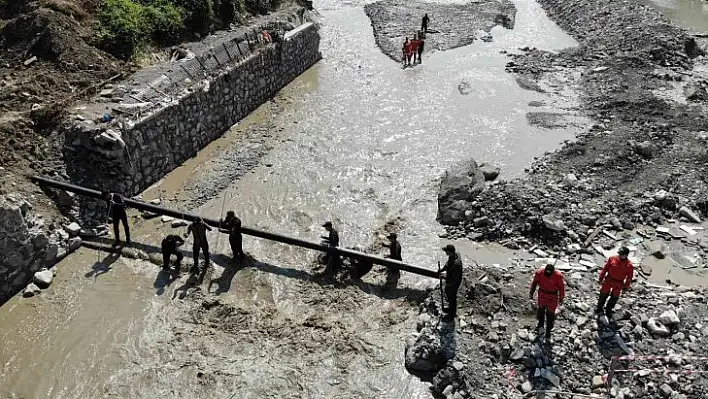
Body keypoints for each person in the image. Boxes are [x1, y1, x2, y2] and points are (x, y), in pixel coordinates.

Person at [529, 261, 566, 344]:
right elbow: (534, 283)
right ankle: (540, 325)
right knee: (541, 311)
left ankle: (548, 332)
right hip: (542, 294)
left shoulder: (558, 276)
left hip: (553, 297)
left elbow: (561, 288)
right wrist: (531, 293)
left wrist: (561, 298)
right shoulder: (539, 272)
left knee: (550, 315)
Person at [596, 247, 634, 317]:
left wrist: (626, 287)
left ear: (626, 255)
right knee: (603, 294)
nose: (619, 255)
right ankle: (599, 308)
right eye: (619, 254)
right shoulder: (612, 258)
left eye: (621, 254)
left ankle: (608, 310)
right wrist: (601, 278)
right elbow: (605, 269)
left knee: (614, 297)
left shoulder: (629, 265)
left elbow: (629, 277)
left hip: (619, 283)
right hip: (609, 279)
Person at [440, 244, 463, 321]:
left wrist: (449, 284)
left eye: (446, 251)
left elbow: (454, 277)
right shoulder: (455, 255)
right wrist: (442, 270)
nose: (445, 253)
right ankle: (451, 310)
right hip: (453, 277)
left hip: (455, 281)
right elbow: (447, 264)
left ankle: (452, 315)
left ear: (450, 252)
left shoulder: (456, 264)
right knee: (449, 294)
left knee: (451, 296)